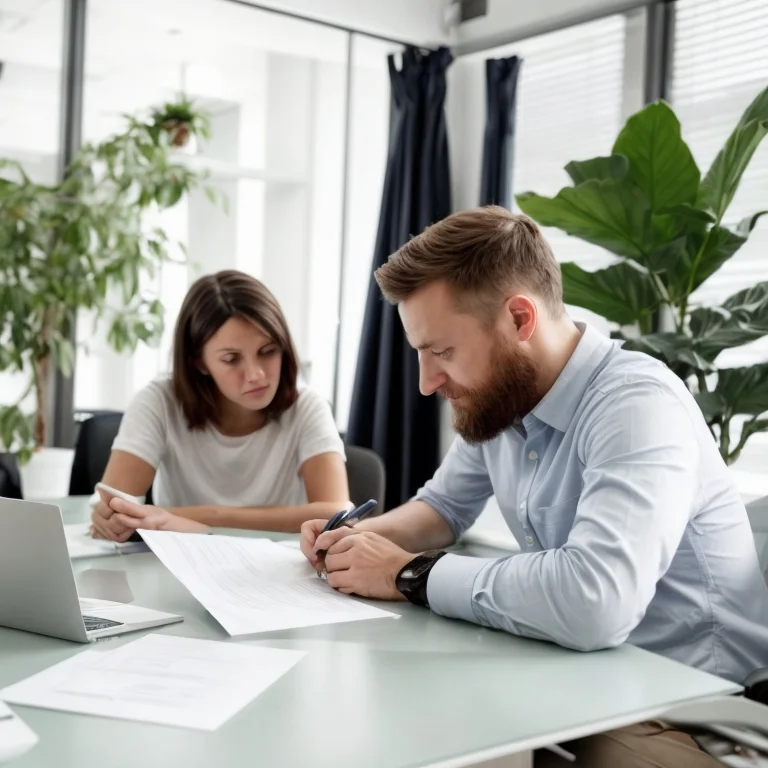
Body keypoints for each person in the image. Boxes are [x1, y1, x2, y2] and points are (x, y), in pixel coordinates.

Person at [300, 207, 768, 767]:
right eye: (420, 354)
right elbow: (441, 508)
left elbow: (595, 600)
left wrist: (406, 572)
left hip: (696, 711)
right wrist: (356, 541)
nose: (427, 383)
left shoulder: (637, 405)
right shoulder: (505, 395)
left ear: (520, 318)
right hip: (586, 678)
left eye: (442, 352)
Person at [91, 270, 349, 541]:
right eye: (231, 359)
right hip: (180, 563)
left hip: (272, 569)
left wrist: (193, 518)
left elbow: (336, 513)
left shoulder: (307, 406)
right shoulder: (159, 401)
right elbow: (115, 507)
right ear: (199, 362)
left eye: (268, 351)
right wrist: (111, 519)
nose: (256, 374)